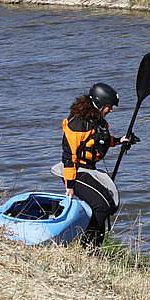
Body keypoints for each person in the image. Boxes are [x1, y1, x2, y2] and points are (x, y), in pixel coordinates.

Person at [59, 82, 139, 247]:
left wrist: (119, 141)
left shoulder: (97, 121)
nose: (111, 110)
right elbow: (68, 156)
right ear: (99, 104)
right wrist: (70, 185)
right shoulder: (78, 124)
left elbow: (98, 141)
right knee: (100, 205)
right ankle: (88, 249)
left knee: (108, 203)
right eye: (109, 106)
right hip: (75, 172)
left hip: (88, 170)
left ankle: (93, 246)